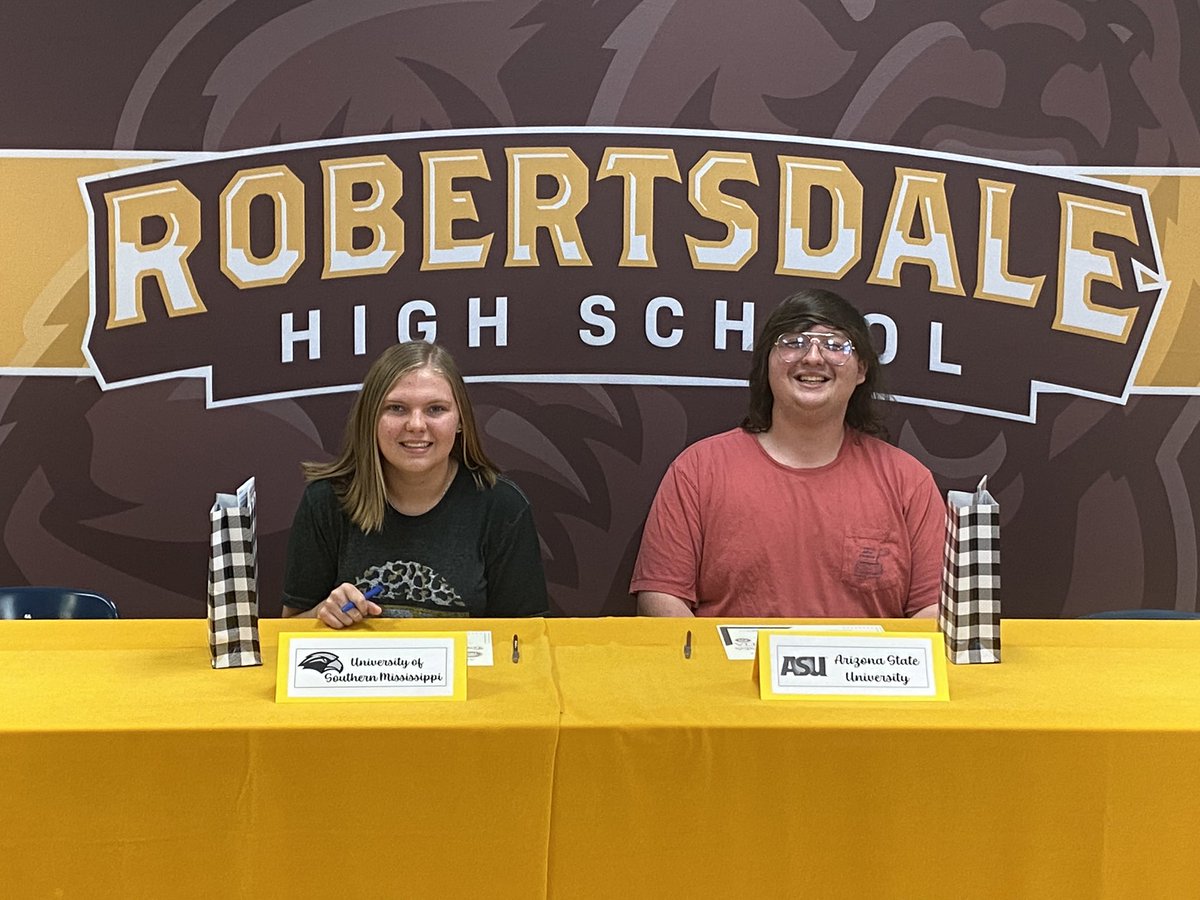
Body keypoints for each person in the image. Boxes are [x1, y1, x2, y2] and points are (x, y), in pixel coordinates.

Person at [631, 288, 944, 619]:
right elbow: (661, 599)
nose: (812, 357)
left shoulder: (909, 482)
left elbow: (933, 609)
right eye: (793, 342)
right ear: (767, 363)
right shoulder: (697, 470)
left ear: (862, 370)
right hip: (729, 670)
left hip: (865, 672)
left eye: (835, 345)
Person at [282, 341, 549, 626]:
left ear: (460, 421)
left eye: (436, 409)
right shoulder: (325, 501)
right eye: (397, 408)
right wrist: (325, 613)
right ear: (370, 418)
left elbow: (526, 642)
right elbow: (289, 631)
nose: (416, 425)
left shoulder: (502, 507)